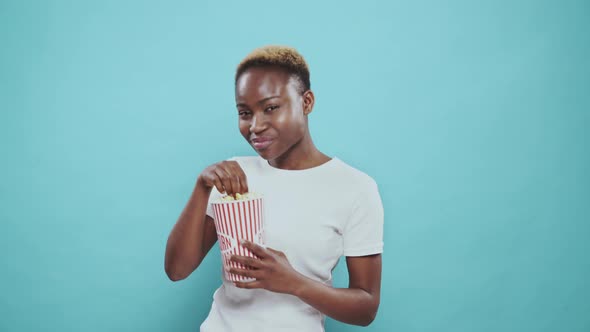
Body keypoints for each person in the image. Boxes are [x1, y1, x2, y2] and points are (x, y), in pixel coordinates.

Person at [165, 45, 384, 331]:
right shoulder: (234, 176)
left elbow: (366, 307)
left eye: (270, 108)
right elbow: (177, 270)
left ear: (306, 102)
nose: (255, 126)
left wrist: (293, 283)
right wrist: (201, 188)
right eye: (245, 112)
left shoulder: (355, 188)